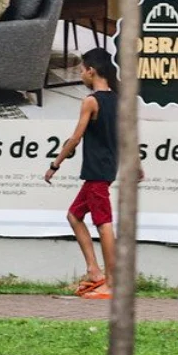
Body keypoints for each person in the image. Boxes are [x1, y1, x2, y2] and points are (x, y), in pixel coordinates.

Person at [45, 47, 139, 300]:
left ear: (91, 71)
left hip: (97, 172)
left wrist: (55, 164)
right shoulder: (119, 100)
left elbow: (75, 138)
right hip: (102, 171)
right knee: (74, 216)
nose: (81, 75)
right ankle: (94, 272)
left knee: (103, 224)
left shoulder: (91, 101)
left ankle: (112, 283)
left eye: (82, 70)